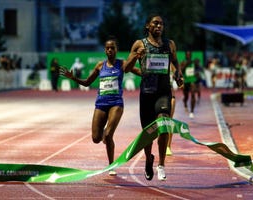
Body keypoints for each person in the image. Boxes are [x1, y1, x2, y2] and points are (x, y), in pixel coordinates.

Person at [60, 36, 140, 176]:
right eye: (107, 48)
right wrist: (73, 78)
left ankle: (111, 165)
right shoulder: (99, 66)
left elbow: (139, 72)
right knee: (96, 138)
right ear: (104, 50)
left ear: (116, 50)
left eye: (112, 48)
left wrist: (150, 72)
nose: (110, 50)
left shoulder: (122, 64)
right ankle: (104, 135)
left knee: (108, 135)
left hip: (116, 103)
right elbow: (87, 83)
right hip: (101, 103)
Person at [124, 13, 183, 181]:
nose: (159, 26)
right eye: (155, 23)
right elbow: (126, 69)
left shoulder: (169, 44)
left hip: (163, 93)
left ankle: (161, 164)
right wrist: (136, 55)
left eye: (161, 24)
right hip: (147, 94)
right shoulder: (139, 44)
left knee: (163, 124)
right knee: (149, 133)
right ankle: (149, 159)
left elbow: (175, 62)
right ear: (147, 26)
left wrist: (178, 75)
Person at [181, 51, 197, 119]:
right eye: (187, 55)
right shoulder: (183, 62)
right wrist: (186, 64)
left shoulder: (193, 62)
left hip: (192, 80)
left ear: (191, 55)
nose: (188, 56)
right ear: (185, 56)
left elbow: (198, 69)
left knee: (193, 94)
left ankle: (192, 112)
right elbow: (181, 70)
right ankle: (184, 102)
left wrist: (197, 73)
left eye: (189, 55)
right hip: (185, 81)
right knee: (186, 96)